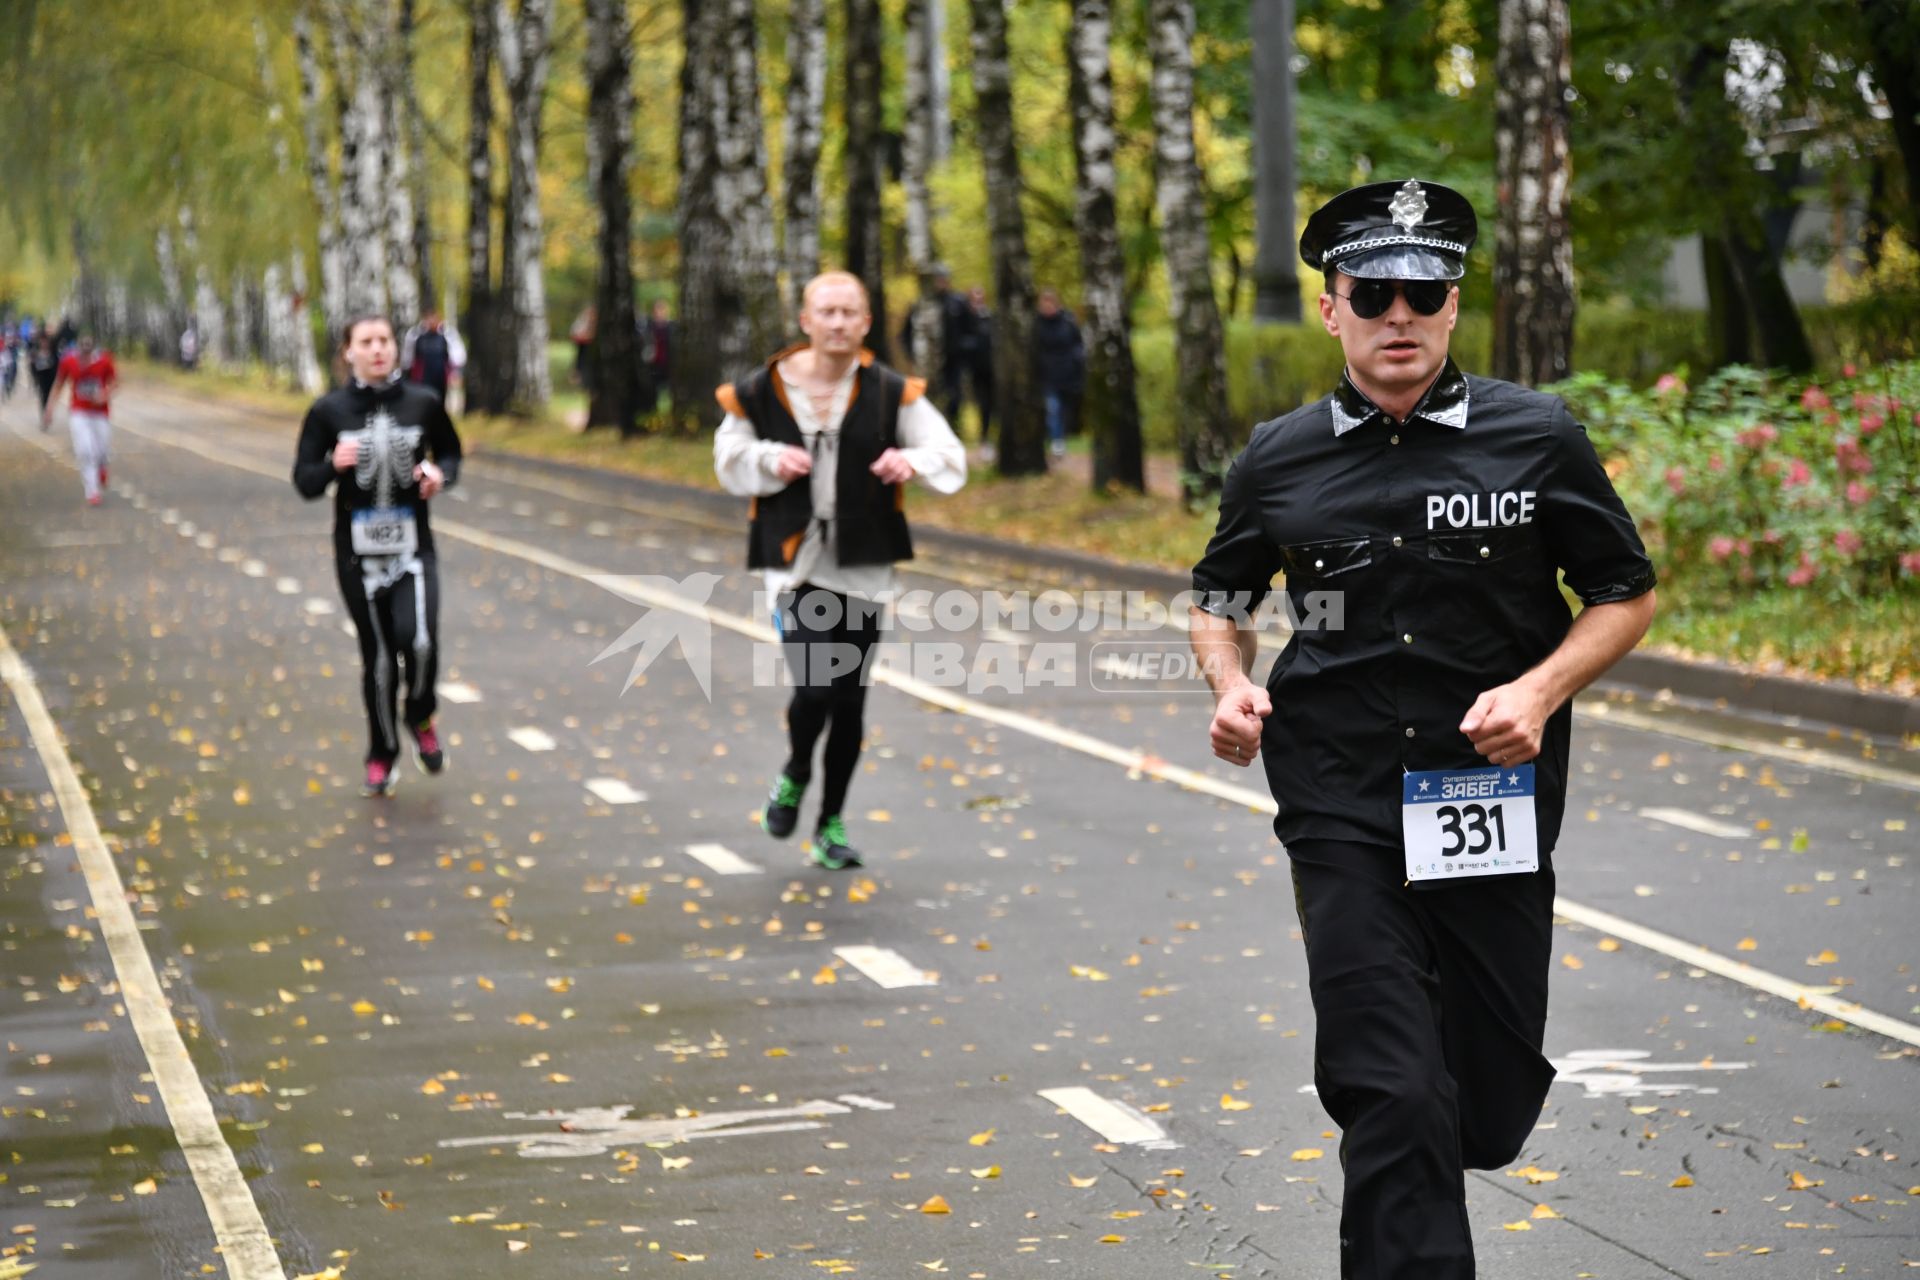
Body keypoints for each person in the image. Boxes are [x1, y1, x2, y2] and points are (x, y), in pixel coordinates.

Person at [1187, 179, 1658, 1280]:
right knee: (1390, 1085)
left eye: (1424, 292)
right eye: (1374, 293)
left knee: (1477, 1111)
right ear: (1330, 306)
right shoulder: (1278, 455)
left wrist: (1538, 692)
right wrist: (1228, 682)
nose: (1399, 315)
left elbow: (1624, 593)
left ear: (1454, 305)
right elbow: (1219, 597)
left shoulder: (1536, 436)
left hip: (1487, 803)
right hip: (1339, 799)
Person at [713, 271, 967, 870]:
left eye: (849, 312)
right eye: (826, 311)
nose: (837, 322)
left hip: (863, 565)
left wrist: (908, 460)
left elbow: (947, 453)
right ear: (805, 321)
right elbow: (727, 455)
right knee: (816, 685)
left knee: (850, 703)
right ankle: (796, 771)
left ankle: (829, 822)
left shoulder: (889, 390)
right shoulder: (762, 389)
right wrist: (772, 457)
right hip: (796, 564)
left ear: (866, 322)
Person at [293, 314, 464, 797]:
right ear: (348, 352)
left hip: (413, 548)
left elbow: (451, 454)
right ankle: (381, 752)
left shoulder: (423, 403)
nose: (377, 350)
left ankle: (419, 712)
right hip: (357, 556)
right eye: (366, 342)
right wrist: (333, 465)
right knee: (381, 658)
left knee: (422, 641)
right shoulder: (329, 411)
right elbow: (303, 479)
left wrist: (438, 474)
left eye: (384, 340)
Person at [45, 332, 117, 505]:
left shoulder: (104, 360)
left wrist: (104, 394)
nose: (84, 357)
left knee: (102, 449)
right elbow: (59, 384)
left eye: (88, 352)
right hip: (79, 412)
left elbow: (115, 382)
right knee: (85, 449)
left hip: (100, 413)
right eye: (82, 353)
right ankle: (92, 491)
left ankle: (102, 466)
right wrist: (50, 408)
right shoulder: (69, 362)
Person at [1032, 289, 1086, 459]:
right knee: (1053, 409)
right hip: (1047, 375)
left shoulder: (1067, 322)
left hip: (1067, 373)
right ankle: (1056, 441)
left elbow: (1078, 345)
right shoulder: (1036, 325)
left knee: (1064, 410)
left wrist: (1077, 365)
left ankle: (1060, 438)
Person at [401, 309, 467, 402]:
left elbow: (458, 355)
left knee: (440, 399)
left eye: (434, 318)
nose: (432, 321)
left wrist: (456, 372)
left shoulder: (448, 334)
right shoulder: (415, 334)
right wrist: (406, 371)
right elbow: (407, 356)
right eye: (430, 319)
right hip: (421, 376)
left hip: (441, 375)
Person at [964, 285, 994, 442]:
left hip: (990, 368)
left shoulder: (990, 317)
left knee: (990, 403)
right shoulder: (965, 318)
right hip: (972, 368)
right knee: (977, 402)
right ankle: (982, 435)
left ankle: (989, 435)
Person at [640, 299, 673, 412]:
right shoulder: (648, 327)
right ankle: (652, 412)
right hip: (653, 363)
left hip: (668, 363)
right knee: (652, 390)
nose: (660, 312)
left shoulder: (672, 327)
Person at [28, 333, 60, 424]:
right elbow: (32, 366)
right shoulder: (36, 352)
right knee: (43, 395)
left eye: (46, 342)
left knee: (51, 395)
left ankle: (48, 412)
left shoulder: (53, 353)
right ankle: (45, 414)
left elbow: (57, 365)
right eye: (42, 342)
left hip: (51, 377)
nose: (44, 344)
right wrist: (35, 377)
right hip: (41, 377)